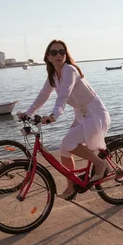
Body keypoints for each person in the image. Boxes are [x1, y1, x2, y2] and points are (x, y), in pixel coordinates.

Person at [20, 39, 111, 200]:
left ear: (66, 54)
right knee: (64, 150)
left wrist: (54, 116)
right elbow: (43, 96)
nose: (58, 55)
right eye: (54, 52)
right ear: (48, 57)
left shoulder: (70, 70)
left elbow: (63, 96)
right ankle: (71, 188)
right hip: (82, 115)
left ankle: (100, 163)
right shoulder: (53, 76)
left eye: (62, 52)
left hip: (95, 114)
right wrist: (28, 113)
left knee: (68, 143)